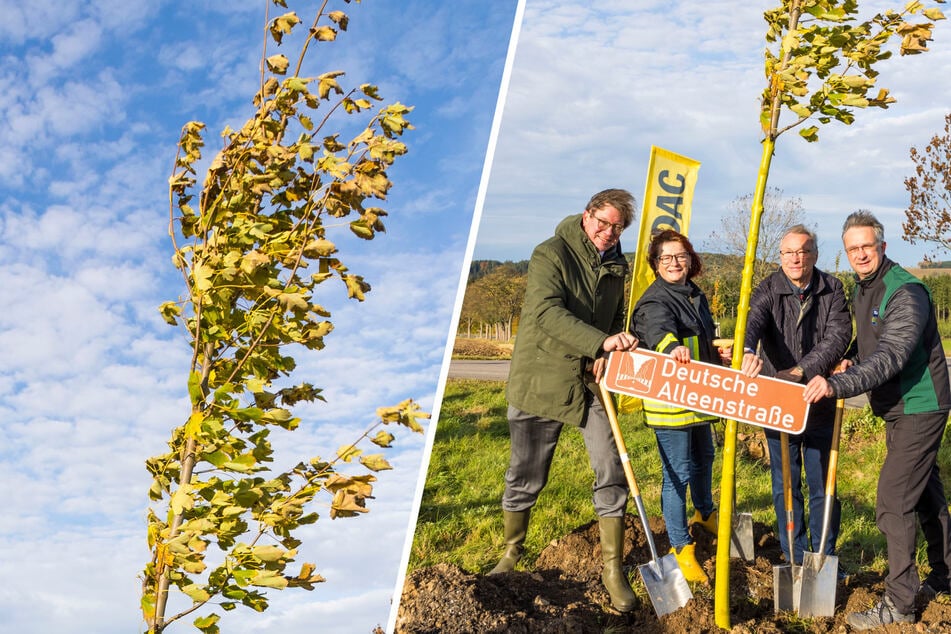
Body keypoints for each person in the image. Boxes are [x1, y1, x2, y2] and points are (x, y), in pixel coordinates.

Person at [489, 188, 639, 612]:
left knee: (611, 464)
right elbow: (545, 312)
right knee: (526, 472)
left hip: (590, 380)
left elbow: (612, 315)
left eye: (617, 227)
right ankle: (512, 553)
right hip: (543, 376)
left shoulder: (616, 264)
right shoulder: (550, 253)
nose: (608, 232)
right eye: (603, 222)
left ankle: (613, 569)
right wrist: (601, 342)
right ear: (587, 214)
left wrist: (606, 352)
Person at [803, 210, 951, 630]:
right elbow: (871, 343)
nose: (860, 254)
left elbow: (893, 354)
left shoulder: (906, 292)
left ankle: (899, 605)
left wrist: (839, 385)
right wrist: (850, 356)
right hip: (898, 407)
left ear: (883, 247)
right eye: (852, 249)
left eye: (867, 246)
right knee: (924, 496)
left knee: (892, 500)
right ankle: (945, 576)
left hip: (920, 405)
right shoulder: (864, 286)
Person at [739, 225, 852, 569]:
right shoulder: (768, 289)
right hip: (779, 403)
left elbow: (837, 338)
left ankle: (823, 557)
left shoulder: (832, 289)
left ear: (815, 255)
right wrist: (745, 349)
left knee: (823, 484)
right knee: (785, 483)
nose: (796, 258)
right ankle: (793, 555)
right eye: (788, 252)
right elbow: (752, 321)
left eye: (803, 251)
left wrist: (801, 370)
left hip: (819, 400)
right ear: (780, 257)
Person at [630, 229, 729, 584]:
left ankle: (704, 515)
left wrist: (718, 352)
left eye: (680, 256)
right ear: (655, 265)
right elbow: (659, 332)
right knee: (677, 474)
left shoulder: (694, 294)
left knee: (705, 459)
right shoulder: (655, 299)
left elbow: (700, 339)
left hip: (700, 398)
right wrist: (671, 349)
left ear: (691, 259)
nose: (674, 263)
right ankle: (680, 546)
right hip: (670, 403)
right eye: (666, 258)